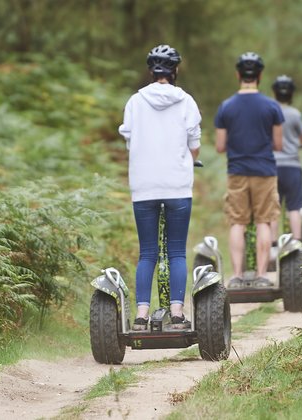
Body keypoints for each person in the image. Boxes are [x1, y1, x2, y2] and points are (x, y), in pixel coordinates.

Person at [118, 44, 202, 331]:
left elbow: (130, 139)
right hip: (177, 185)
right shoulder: (186, 101)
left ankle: (141, 316)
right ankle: (177, 314)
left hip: (144, 186)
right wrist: (190, 158)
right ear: (175, 70)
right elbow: (194, 146)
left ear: (150, 71)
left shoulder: (135, 102)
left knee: (147, 252)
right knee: (177, 251)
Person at [214, 52, 284, 288]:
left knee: (238, 222)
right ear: (260, 75)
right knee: (264, 221)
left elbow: (220, 146)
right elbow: (278, 144)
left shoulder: (226, 107)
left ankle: (236, 276)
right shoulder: (272, 106)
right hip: (264, 170)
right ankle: (262, 276)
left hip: (237, 171)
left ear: (238, 75)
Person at [270, 75, 302, 241]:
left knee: (274, 208)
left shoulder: (270, 111)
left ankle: (273, 245)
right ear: (291, 94)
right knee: (294, 207)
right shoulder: (295, 114)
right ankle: (296, 243)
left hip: (272, 166)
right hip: (292, 166)